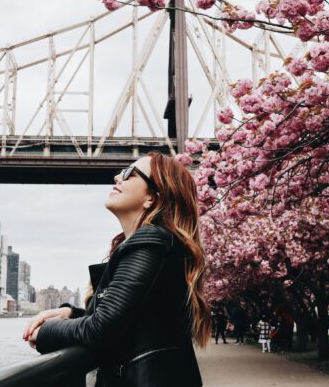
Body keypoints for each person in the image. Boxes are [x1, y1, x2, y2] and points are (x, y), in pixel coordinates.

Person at [22, 152, 211, 386]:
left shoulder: (150, 242)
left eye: (129, 173)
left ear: (152, 197)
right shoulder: (161, 245)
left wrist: (46, 333)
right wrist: (74, 314)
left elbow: (102, 329)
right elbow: (139, 322)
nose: (117, 177)